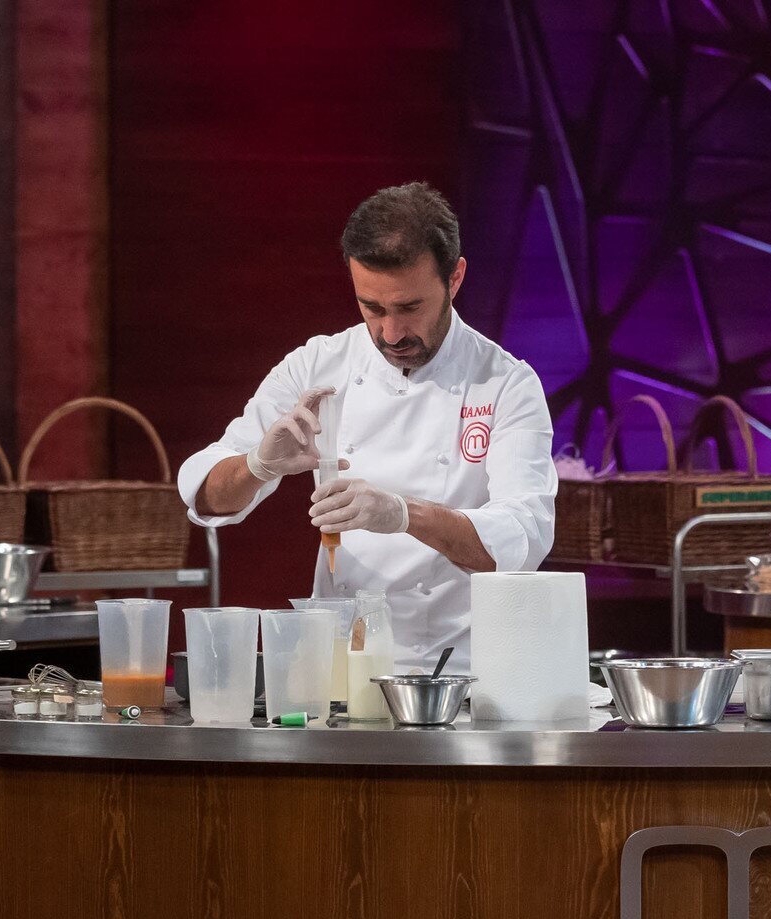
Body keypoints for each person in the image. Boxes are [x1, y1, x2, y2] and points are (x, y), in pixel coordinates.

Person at [176, 182, 555, 669]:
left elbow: (523, 539)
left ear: (455, 278)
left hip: (459, 675)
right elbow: (207, 495)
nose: (390, 333)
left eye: (409, 308)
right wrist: (257, 465)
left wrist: (400, 513)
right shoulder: (317, 365)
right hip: (340, 667)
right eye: (372, 308)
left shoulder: (505, 384)